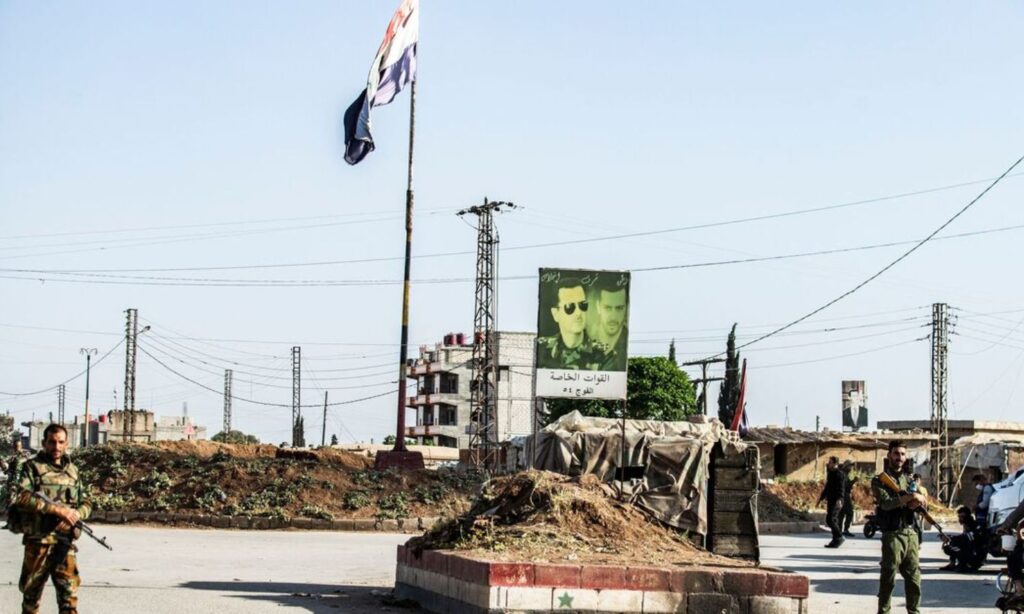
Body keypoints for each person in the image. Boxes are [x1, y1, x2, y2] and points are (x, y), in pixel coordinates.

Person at [12, 424, 92, 614]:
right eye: (52, 442)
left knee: (69, 600)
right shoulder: (32, 467)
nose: (56, 447)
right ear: (44, 443)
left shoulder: (73, 471)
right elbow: (22, 497)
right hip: (38, 543)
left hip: (64, 544)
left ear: (67, 444)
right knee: (31, 599)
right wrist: (58, 510)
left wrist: (75, 514)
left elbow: (87, 502)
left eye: (61, 442)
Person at [873, 439, 926, 614]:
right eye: (896, 453)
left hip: (910, 533)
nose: (900, 457)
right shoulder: (880, 480)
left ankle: (913, 611)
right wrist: (908, 497)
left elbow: (920, 504)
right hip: (892, 534)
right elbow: (886, 504)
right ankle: (884, 611)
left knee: (914, 579)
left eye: (903, 454)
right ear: (889, 455)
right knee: (888, 578)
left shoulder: (909, 479)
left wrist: (919, 501)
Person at [537, 277, 609, 370]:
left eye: (582, 305)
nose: (578, 312)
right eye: (569, 307)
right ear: (556, 314)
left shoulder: (604, 355)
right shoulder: (541, 350)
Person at [590, 278, 628, 371]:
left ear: (626, 308)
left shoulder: (628, 344)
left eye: (619, 308)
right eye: (607, 308)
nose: (613, 317)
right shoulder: (584, 339)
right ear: (598, 307)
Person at [939, 506, 984, 572]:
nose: (960, 519)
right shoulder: (966, 525)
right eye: (959, 517)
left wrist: (950, 537)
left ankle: (965, 565)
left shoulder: (976, 526)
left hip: (975, 556)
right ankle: (953, 564)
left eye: (962, 517)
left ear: (968, 516)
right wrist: (948, 537)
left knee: (955, 543)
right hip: (970, 552)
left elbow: (967, 538)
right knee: (948, 547)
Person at [817, 456, 847, 547]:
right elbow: (827, 487)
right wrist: (821, 498)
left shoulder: (840, 474)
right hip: (831, 499)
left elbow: (841, 488)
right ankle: (835, 540)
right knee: (833, 520)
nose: (829, 464)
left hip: (837, 500)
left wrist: (840, 499)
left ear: (835, 464)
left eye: (830, 462)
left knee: (830, 519)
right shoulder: (830, 473)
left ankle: (839, 536)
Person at [841, 460, 858, 538]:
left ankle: (841, 530)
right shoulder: (843, 474)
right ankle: (845, 530)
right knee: (849, 512)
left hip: (843, 496)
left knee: (842, 513)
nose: (851, 468)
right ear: (846, 466)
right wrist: (854, 481)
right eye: (850, 466)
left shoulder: (844, 474)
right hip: (844, 496)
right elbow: (846, 486)